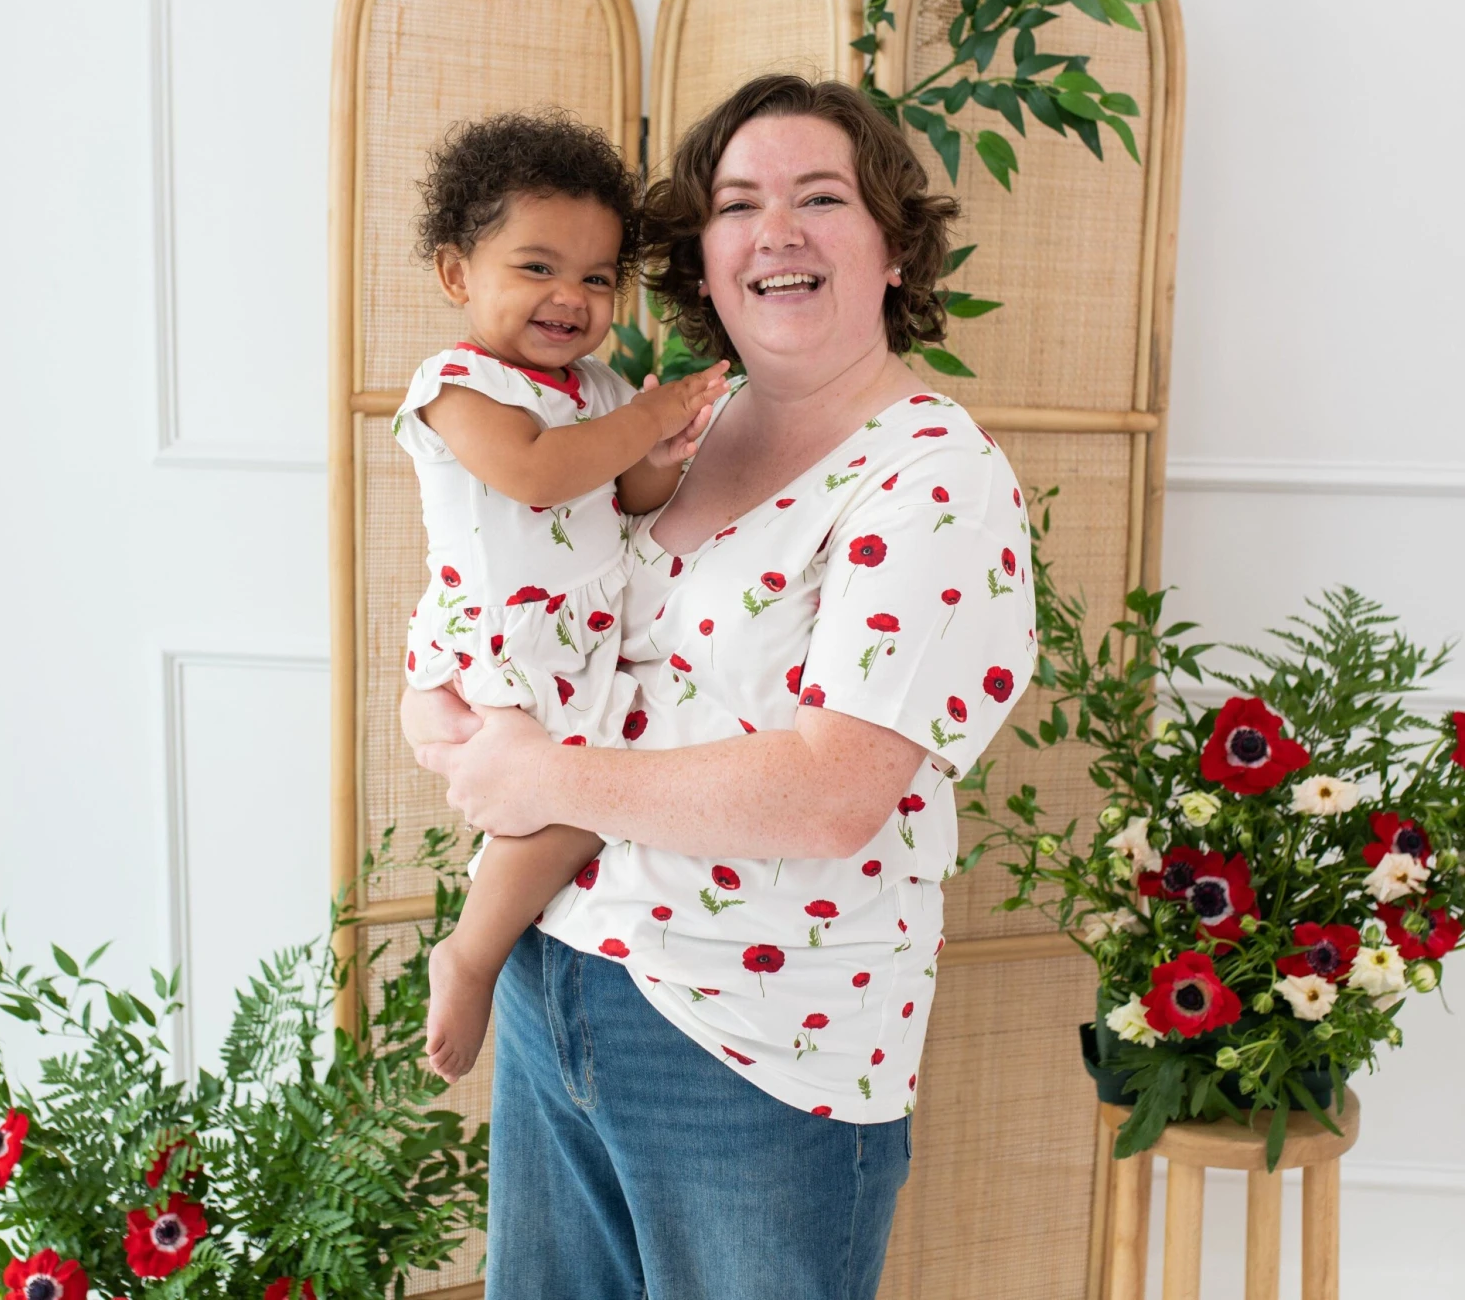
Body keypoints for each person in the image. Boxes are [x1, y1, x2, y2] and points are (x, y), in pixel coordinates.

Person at [402, 75, 1037, 1300]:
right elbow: (549, 592)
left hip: (754, 1042)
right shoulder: (689, 422)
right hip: (561, 973)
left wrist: (531, 772)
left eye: (820, 198)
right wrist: (436, 695)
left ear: (894, 247)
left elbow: (831, 794)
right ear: (701, 249)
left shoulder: (932, 480)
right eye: (740, 202)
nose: (775, 231)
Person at [394, 111, 729, 1082]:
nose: (570, 298)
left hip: (571, 633)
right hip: (510, 638)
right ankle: (472, 953)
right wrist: (651, 411)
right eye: (536, 268)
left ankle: (492, 938)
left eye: (595, 277)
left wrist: (663, 454)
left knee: (585, 795)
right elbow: (537, 476)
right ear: (459, 275)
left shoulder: (594, 384)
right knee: (575, 804)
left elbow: (624, 497)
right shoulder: (457, 386)